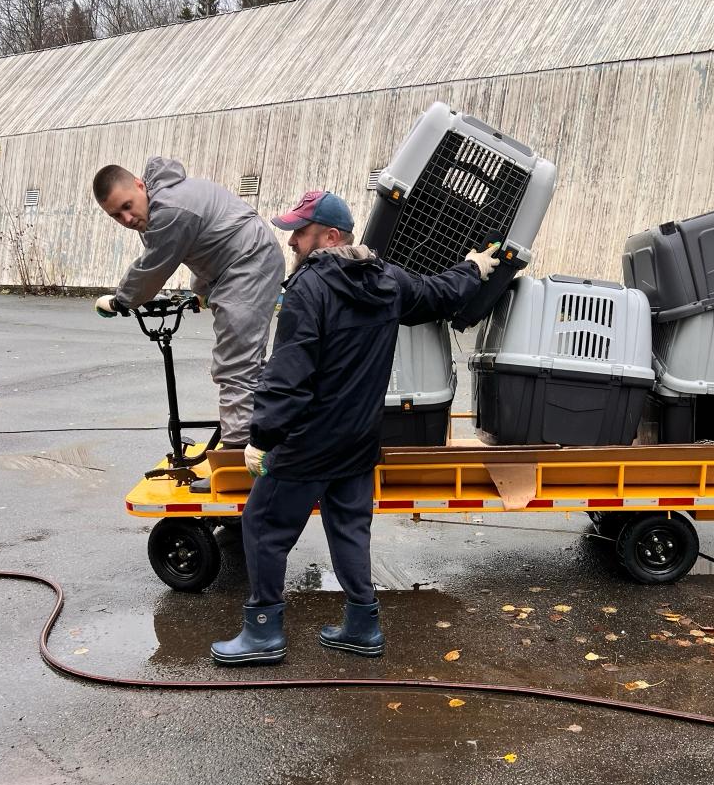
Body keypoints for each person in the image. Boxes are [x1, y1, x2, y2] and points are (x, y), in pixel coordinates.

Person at [210, 189, 500, 666]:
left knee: (263, 527)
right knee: (349, 530)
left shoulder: (308, 288)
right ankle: (362, 626)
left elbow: (289, 373)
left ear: (329, 236)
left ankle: (262, 632)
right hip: (359, 440)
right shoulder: (388, 281)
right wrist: (473, 268)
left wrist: (262, 438)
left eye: (299, 234)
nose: (292, 244)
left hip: (306, 444)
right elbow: (438, 295)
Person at [91, 158, 285, 473]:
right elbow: (207, 242)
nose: (126, 218)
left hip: (248, 263)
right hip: (235, 263)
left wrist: (120, 301)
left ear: (141, 185)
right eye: (116, 215)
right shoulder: (166, 198)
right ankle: (268, 439)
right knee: (247, 362)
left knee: (235, 363)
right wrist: (202, 294)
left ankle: (237, 464)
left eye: (127, 206)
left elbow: (153, 267)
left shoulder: (169, 211)